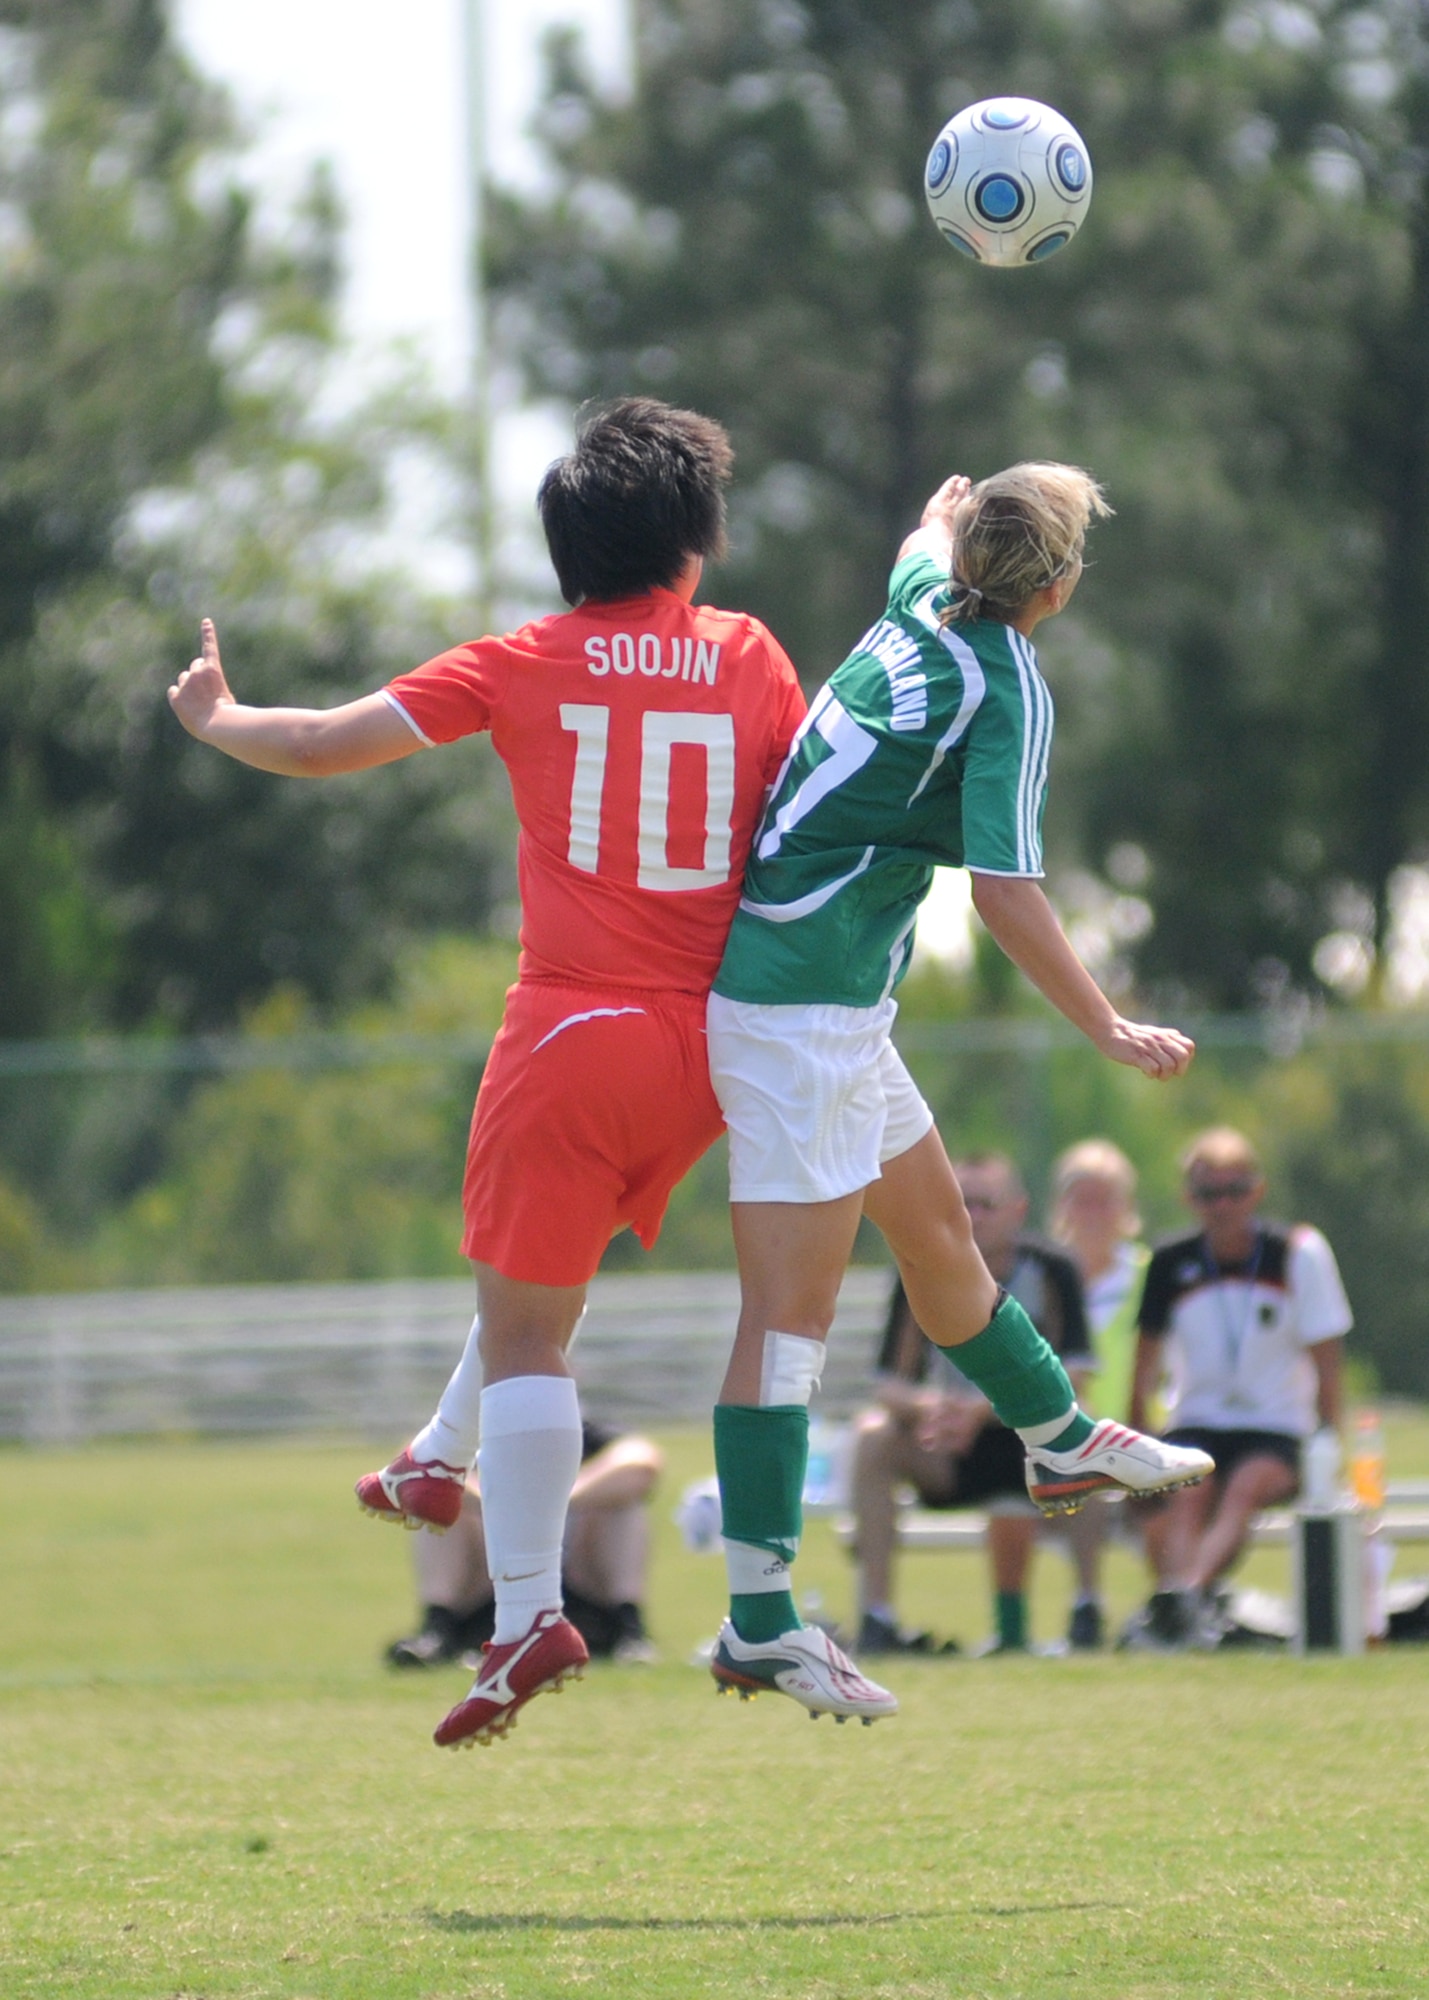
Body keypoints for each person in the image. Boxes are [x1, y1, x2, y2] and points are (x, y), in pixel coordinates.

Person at [168, 397, 809, 1749]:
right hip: (708, 1050)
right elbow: (798, 825)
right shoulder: (751, 657)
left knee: (529, 1331)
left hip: (570, 1034)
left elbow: (322, 743)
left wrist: (219, 717)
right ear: (695, 540)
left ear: (565, 547)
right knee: (541, 1287)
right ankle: (431, 1457)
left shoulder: (525, 659)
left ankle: (523, 1614)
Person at [701, 462, 1214, 1715]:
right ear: (1059, 586)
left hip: (822, 1003)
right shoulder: (1010, 684)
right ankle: (760, 1615)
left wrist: (945, 508)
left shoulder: (928, 594)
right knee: (785, 1324)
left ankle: (1055, 1436)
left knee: (942, 1254)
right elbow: (1002, 890)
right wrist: (1105, 1022)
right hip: (796, 1010)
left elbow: (918, 533)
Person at [851, 1153, 1092, 1657]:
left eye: (987, 1204)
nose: (975, 1217)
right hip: (950, 1445)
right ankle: (877, 1617)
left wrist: (985, 1408)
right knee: (873, 1439)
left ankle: (1087, 1610)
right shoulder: (921, 1264)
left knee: (1096, 1442)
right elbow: (889, 1385)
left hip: (1037, 1445)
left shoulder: (1054, 1268)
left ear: (1019, 1209)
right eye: (964, 1204)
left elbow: (1076, 1372)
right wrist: (931, 1408)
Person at [1125, 1127, 1352, 1648]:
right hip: (1198, 1420)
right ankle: (1186, 1610)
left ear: (1258, 1191)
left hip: (1276, 1425)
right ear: (1190, 1198)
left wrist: (1327, 1440)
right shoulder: (1169, 1262)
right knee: (1189, 1490)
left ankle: (1183, 1598)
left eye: (1235, 1191)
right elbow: (1145, 1359)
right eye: (1208, 1193)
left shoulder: (1299, 1253)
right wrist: (1136, 1433)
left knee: (1245, 1485)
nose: (1222, 1205)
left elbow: (1328, 1361)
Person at [386, 1424, 663, 1668]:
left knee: (623, 1505)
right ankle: (436, 1630)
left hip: (579, 1583)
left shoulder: (587, 1433)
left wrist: (552, 1508)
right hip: (489, 1584)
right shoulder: (468, 1433)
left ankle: (629, 1630)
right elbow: (415, 1463)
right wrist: (495, 1507)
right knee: (442, 1502)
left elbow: (642, 1464)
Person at [1046, 1138, 1153, 1648]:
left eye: (1104, 1198)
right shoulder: (1041, 1277)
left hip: (1141, 1432)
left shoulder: (1149, 1277)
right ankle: (1069, 1610)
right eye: (1080, 1198)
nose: (1092, 1212)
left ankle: (1169, 1613)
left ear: (1127, 1208)